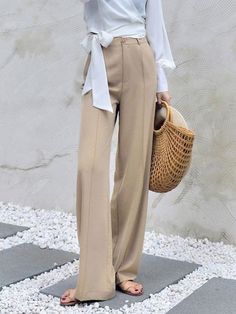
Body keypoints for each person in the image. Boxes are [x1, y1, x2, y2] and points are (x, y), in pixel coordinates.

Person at [60, 0, 176, 306]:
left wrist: (162, 81)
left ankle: (123, 267)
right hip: (102, 58)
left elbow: (155, 18)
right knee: (90, 166)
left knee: (133, 166)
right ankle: (93, 278)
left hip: (140, 57)